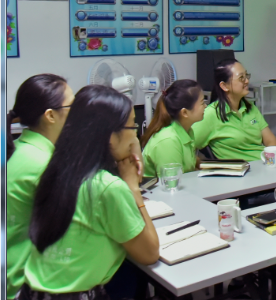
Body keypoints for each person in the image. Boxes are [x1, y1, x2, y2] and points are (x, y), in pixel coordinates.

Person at [24, 85, 159, 300]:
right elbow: (150, 253)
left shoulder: (57, 168)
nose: (136, 134)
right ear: (110, 138)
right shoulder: (107, 188)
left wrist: (130, 150)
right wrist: (133, 188)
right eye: (133, 126)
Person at [7, 74, 74, 300]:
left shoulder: (21, 147)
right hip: (24, 284)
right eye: (72, 106)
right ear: (50, 116)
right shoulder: (42, 165)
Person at [193, 59, 276, 161]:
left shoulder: (251, 108)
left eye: (246, 76)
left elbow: (270, 140)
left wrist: (271, 163)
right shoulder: (212, 114)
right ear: (224, 86)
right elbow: (187, 145)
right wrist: (197, 162)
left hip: (263, 165)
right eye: (241, 78)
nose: (247, 81)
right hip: (240, 172)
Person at [141, 79, 206, 179]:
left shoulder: (187, 131)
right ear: (184, 113)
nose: (206, 106)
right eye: (202, 103)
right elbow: (171, 185)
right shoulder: (168, 140)